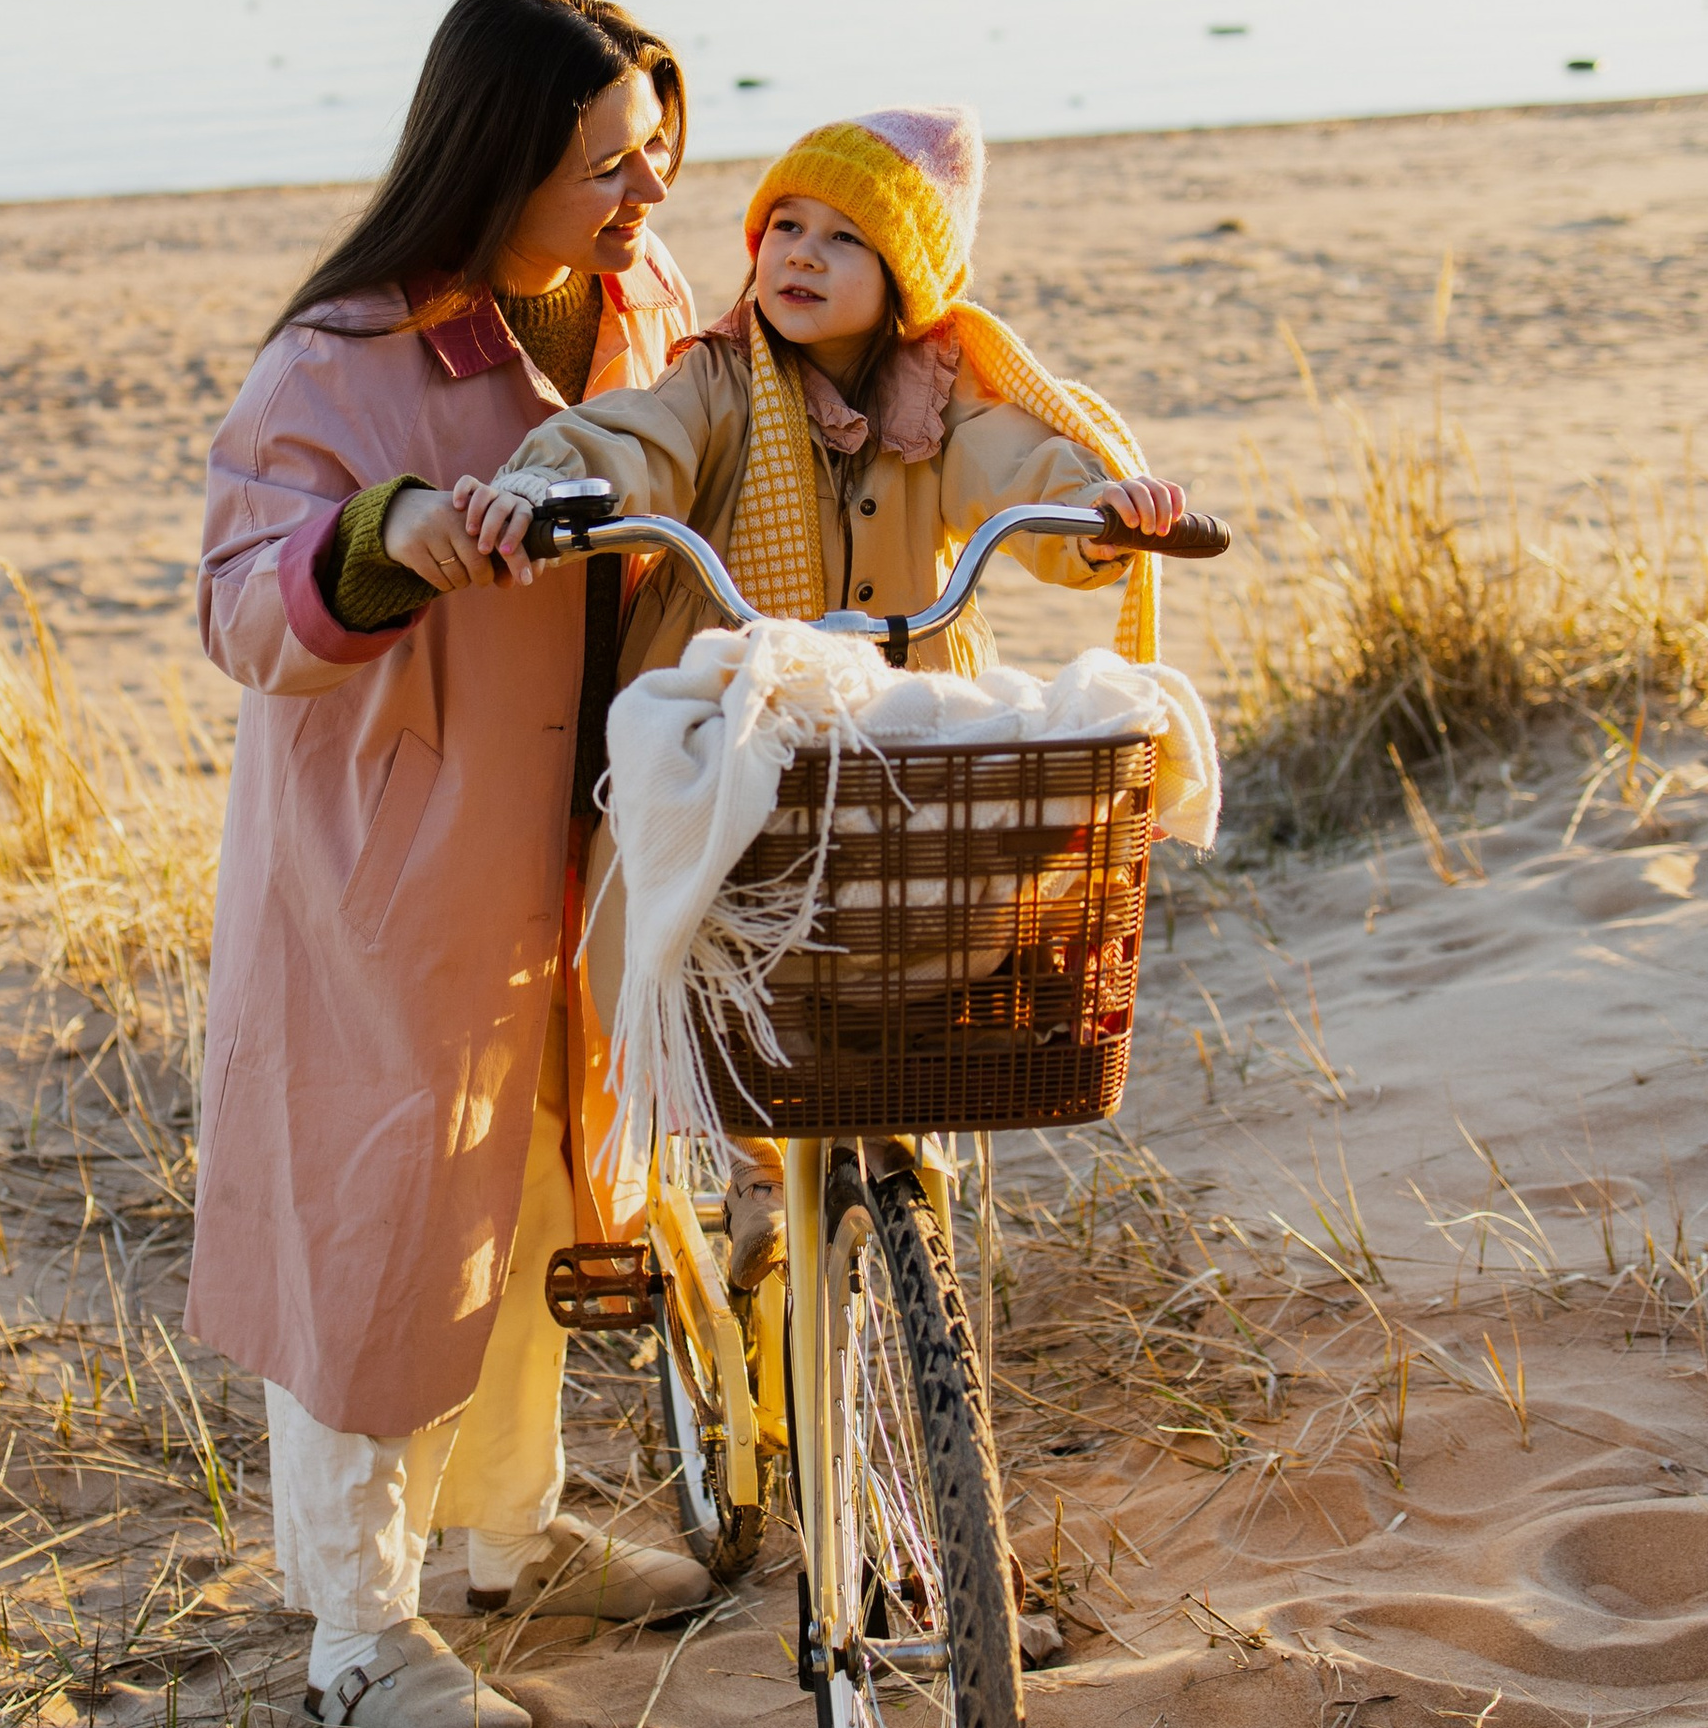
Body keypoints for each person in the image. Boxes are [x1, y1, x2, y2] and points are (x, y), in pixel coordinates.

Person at [187, 0, 715, 1728]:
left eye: (655, 151)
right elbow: (238, 608)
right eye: (607, 165)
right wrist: (394, 536)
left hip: (584, 833)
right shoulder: (345, 355)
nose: (648, 192)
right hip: (395, 868)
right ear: (496, 165)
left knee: (545, 1192)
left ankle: (510, 1535)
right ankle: (358, 1625)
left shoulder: (643, 301)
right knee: (386, 1222)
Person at [397, 103, 1193, 1277]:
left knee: (932, 930)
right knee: (686, 922)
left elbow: (1015, 470)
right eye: (784, 227)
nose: (800, 257)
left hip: (886, 745)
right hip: (738, 736)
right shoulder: (719, 379)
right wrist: (550, 483)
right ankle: (754, 1176)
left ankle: (890, 1175)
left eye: (844, 239)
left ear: (905, 279)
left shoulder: (937, 402)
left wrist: (1096, 513)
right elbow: (635, 437)